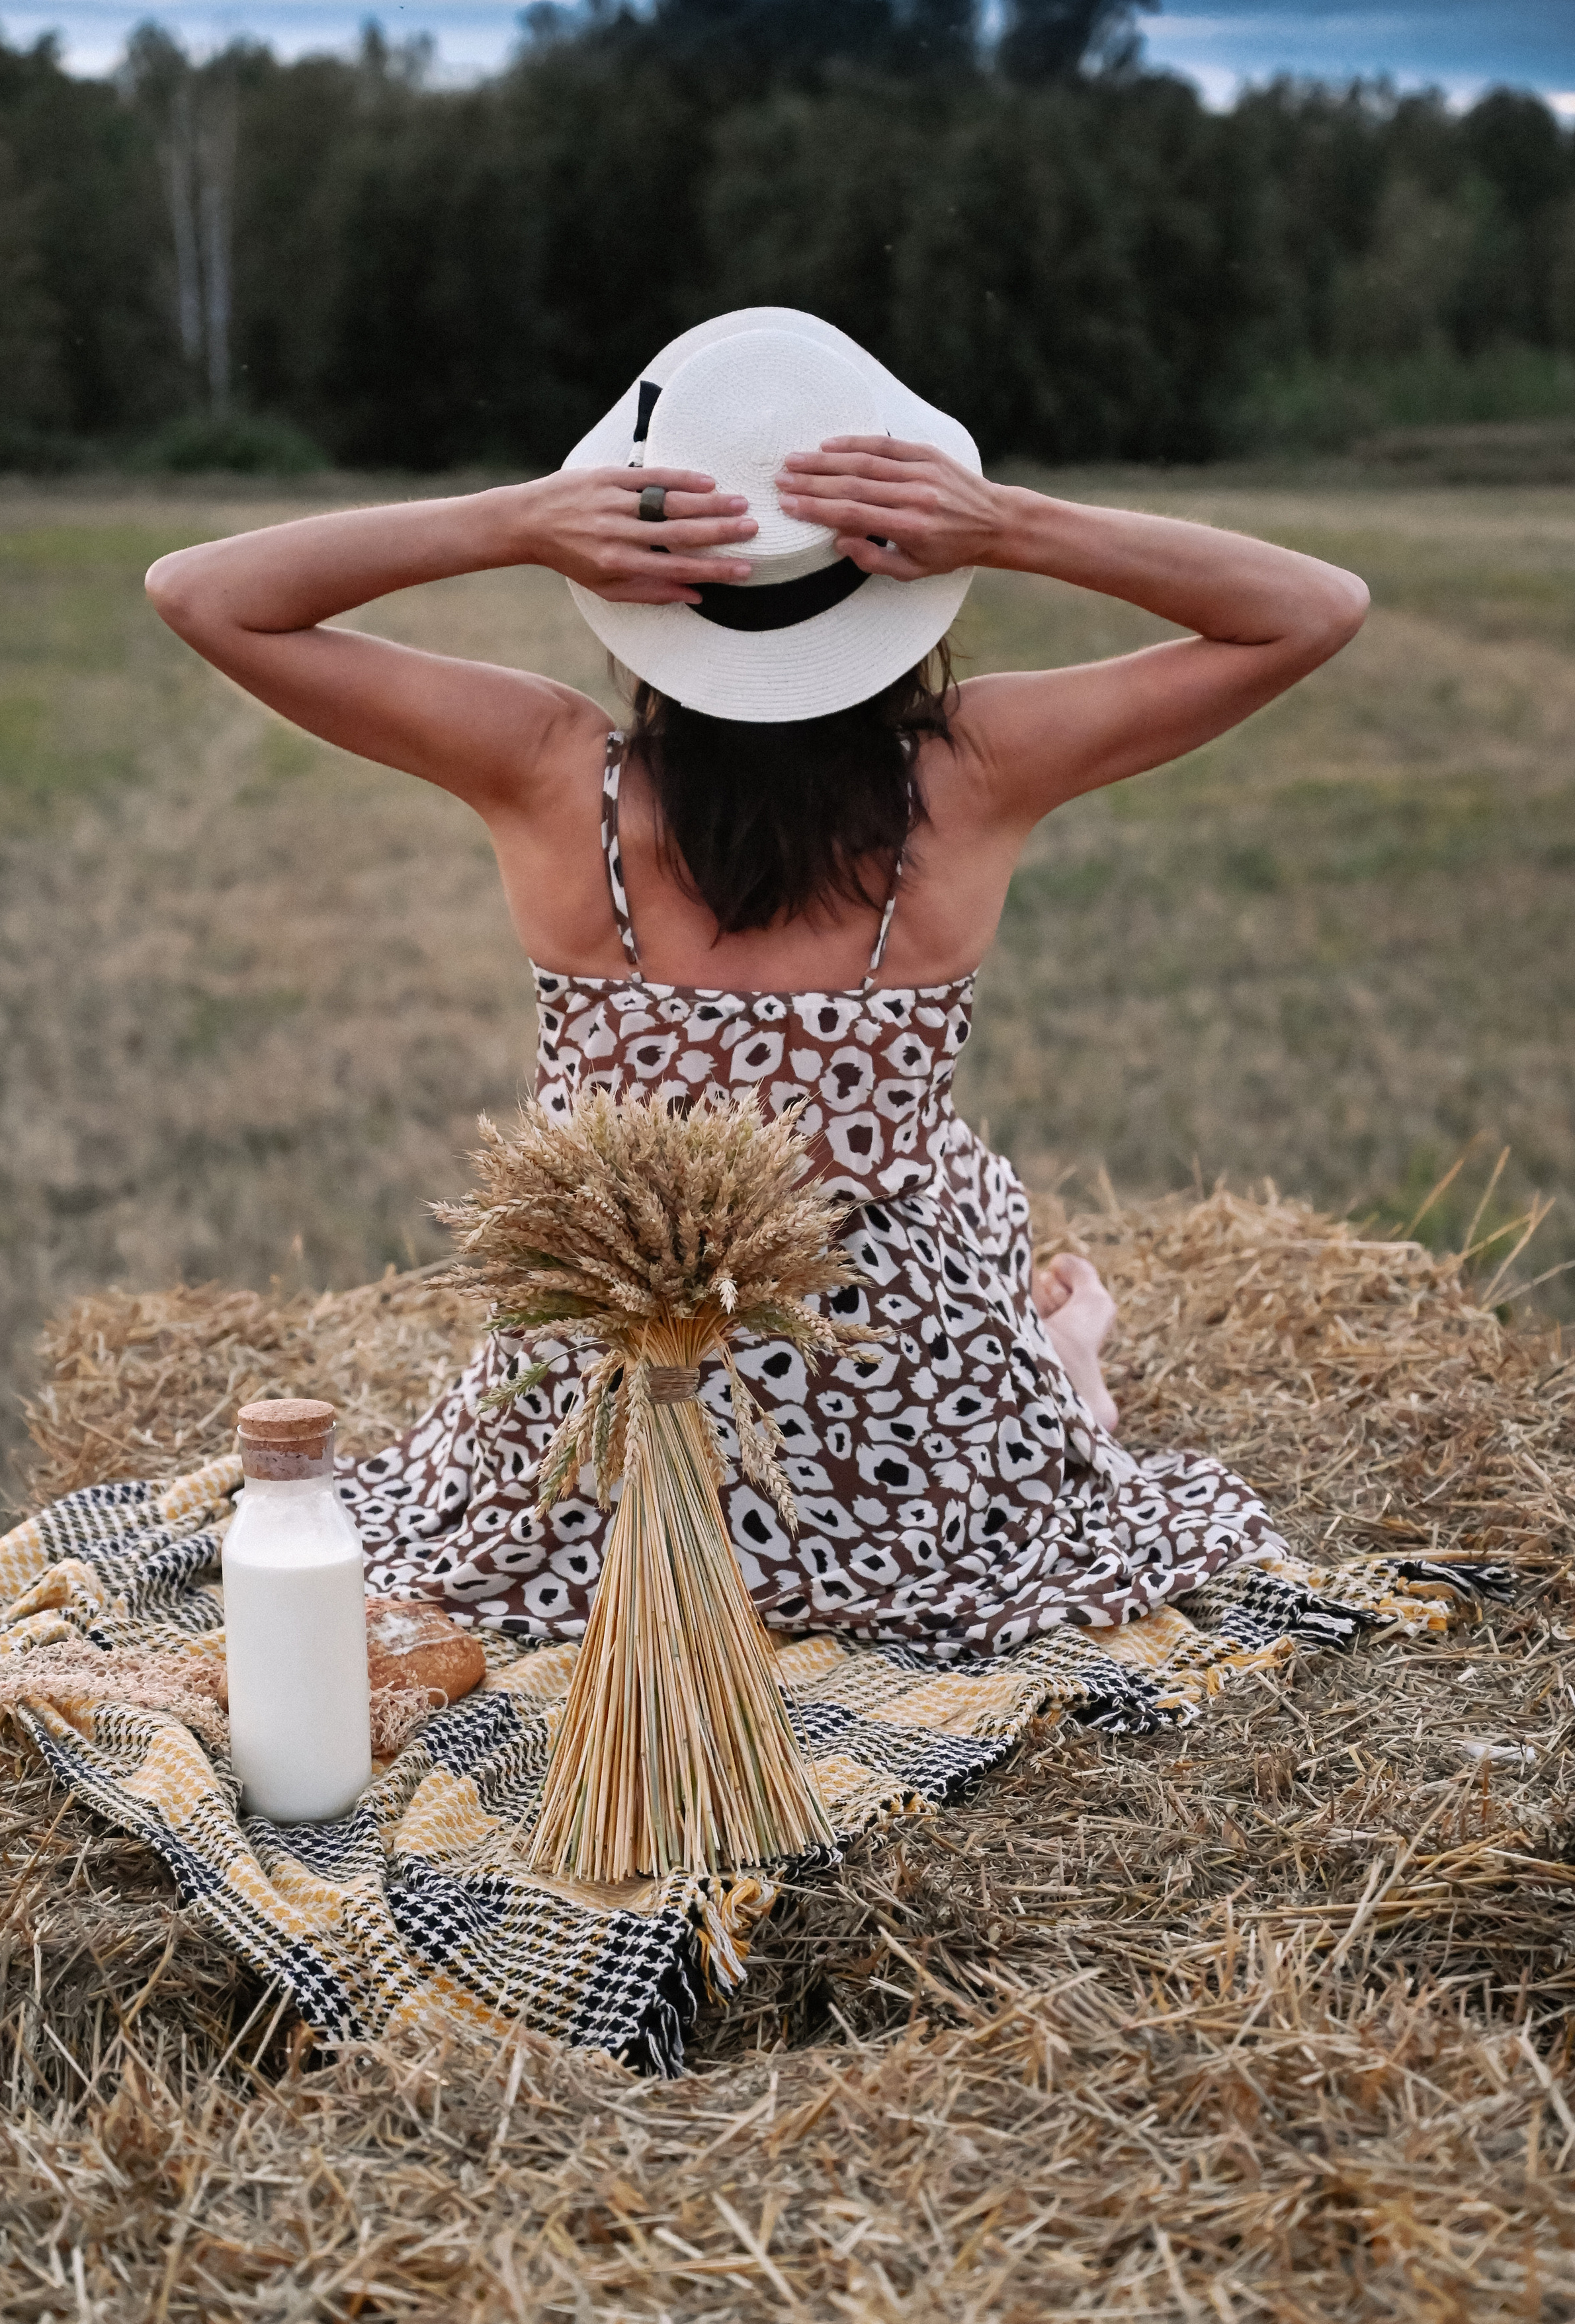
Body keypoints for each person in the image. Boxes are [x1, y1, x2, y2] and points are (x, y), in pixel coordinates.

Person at [146, 309, 1367, 1661]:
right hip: (906, 1414)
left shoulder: (555, 774)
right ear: (900, 584)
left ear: (645, 589)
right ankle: (1060, 1357)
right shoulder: (970, 771)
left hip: (609, 1415)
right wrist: (1006, 522)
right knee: (990, 1282)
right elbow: (1313, 609)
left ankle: (1059, 1346)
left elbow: (199, 590)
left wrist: (522, 518)